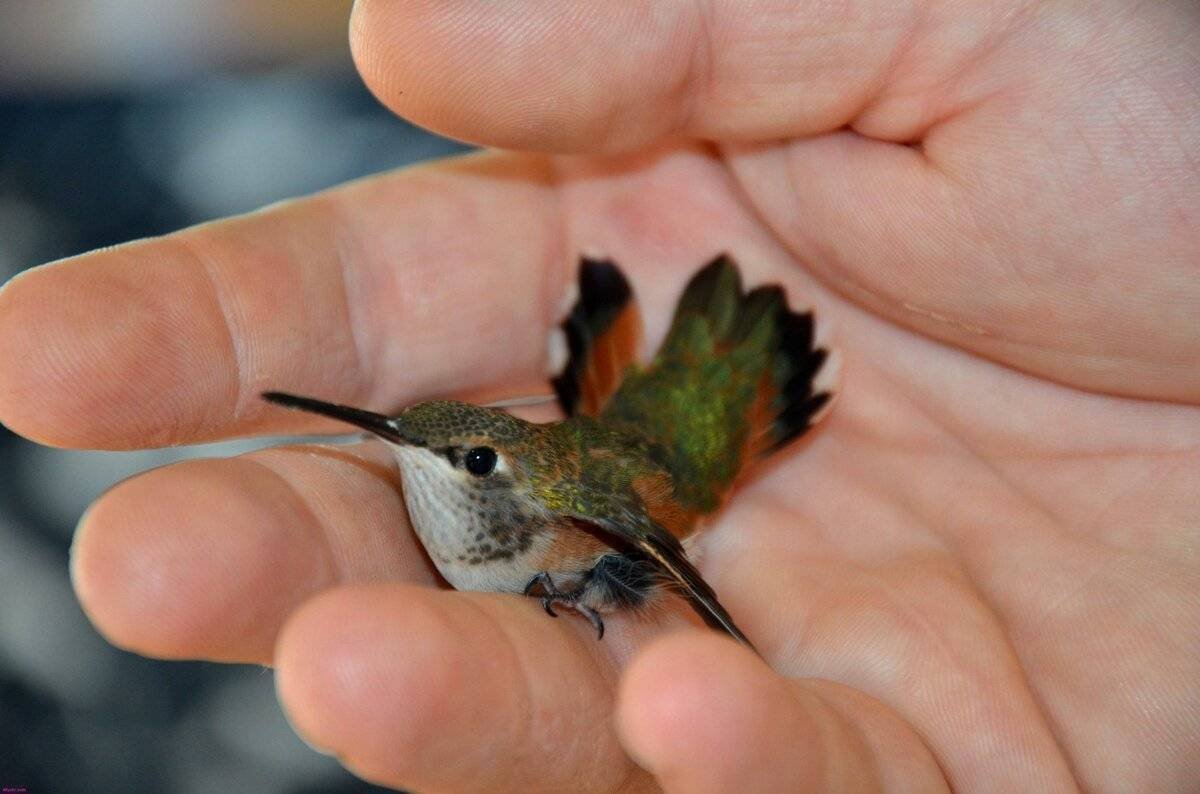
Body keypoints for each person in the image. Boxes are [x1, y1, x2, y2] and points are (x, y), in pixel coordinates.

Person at [1, 1, 1197, 791]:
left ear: (504, 472)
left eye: (461, 456)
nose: (409, 454)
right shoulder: (452, 482)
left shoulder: (563, 496)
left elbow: (653, 546)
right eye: (415, 444)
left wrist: (702, 615)